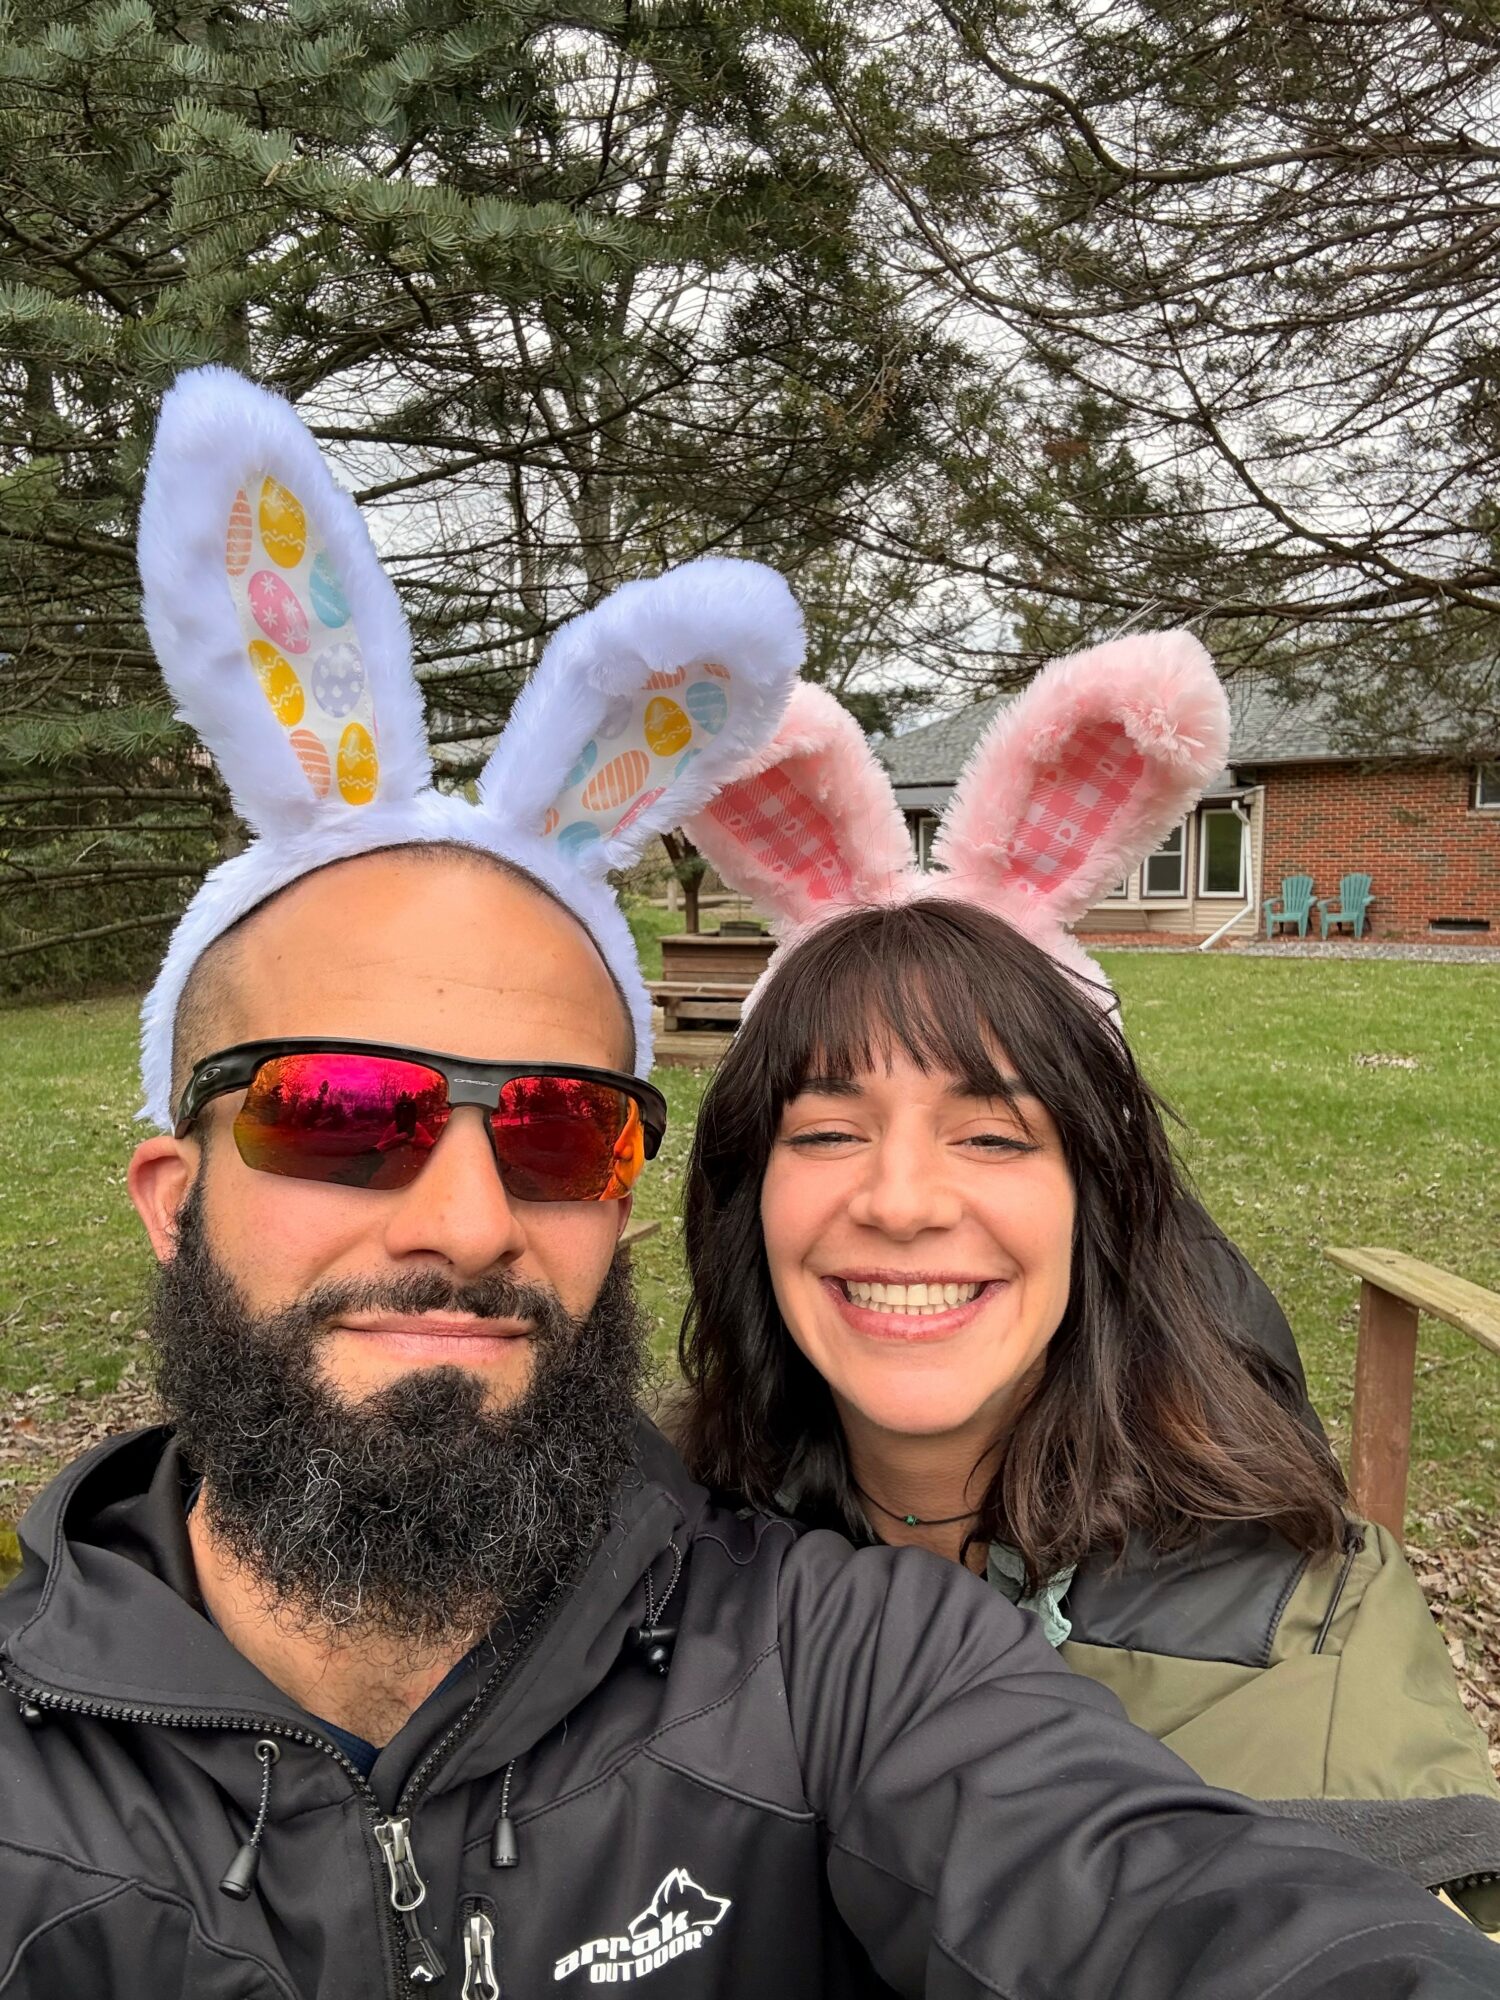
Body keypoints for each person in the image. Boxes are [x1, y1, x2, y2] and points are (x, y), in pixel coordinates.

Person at [2, 369, 1496, 2000]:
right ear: (166, 1187)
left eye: (561, 1128)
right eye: (341, 1110)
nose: (465, 1216)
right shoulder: (742, 1517)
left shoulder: (833, 1649)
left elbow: (1204, 1913)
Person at [676, 672, 1500, 1933]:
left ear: (1100, 1198)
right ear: (749, 1199)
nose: (902, 1200)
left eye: (996, 1135)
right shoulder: (646, 1561)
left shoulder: (1300, 1637)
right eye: (830, 1128)